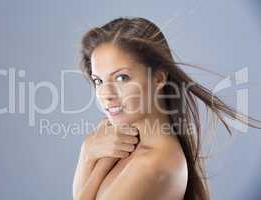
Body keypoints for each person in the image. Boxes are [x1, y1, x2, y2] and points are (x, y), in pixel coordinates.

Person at [72, 17, 261, 200]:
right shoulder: (120, 143)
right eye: (98, 80)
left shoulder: (151, 166)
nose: (106, 94)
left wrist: (90, 158)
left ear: (159, 78)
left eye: (122, 78)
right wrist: (88, 153)